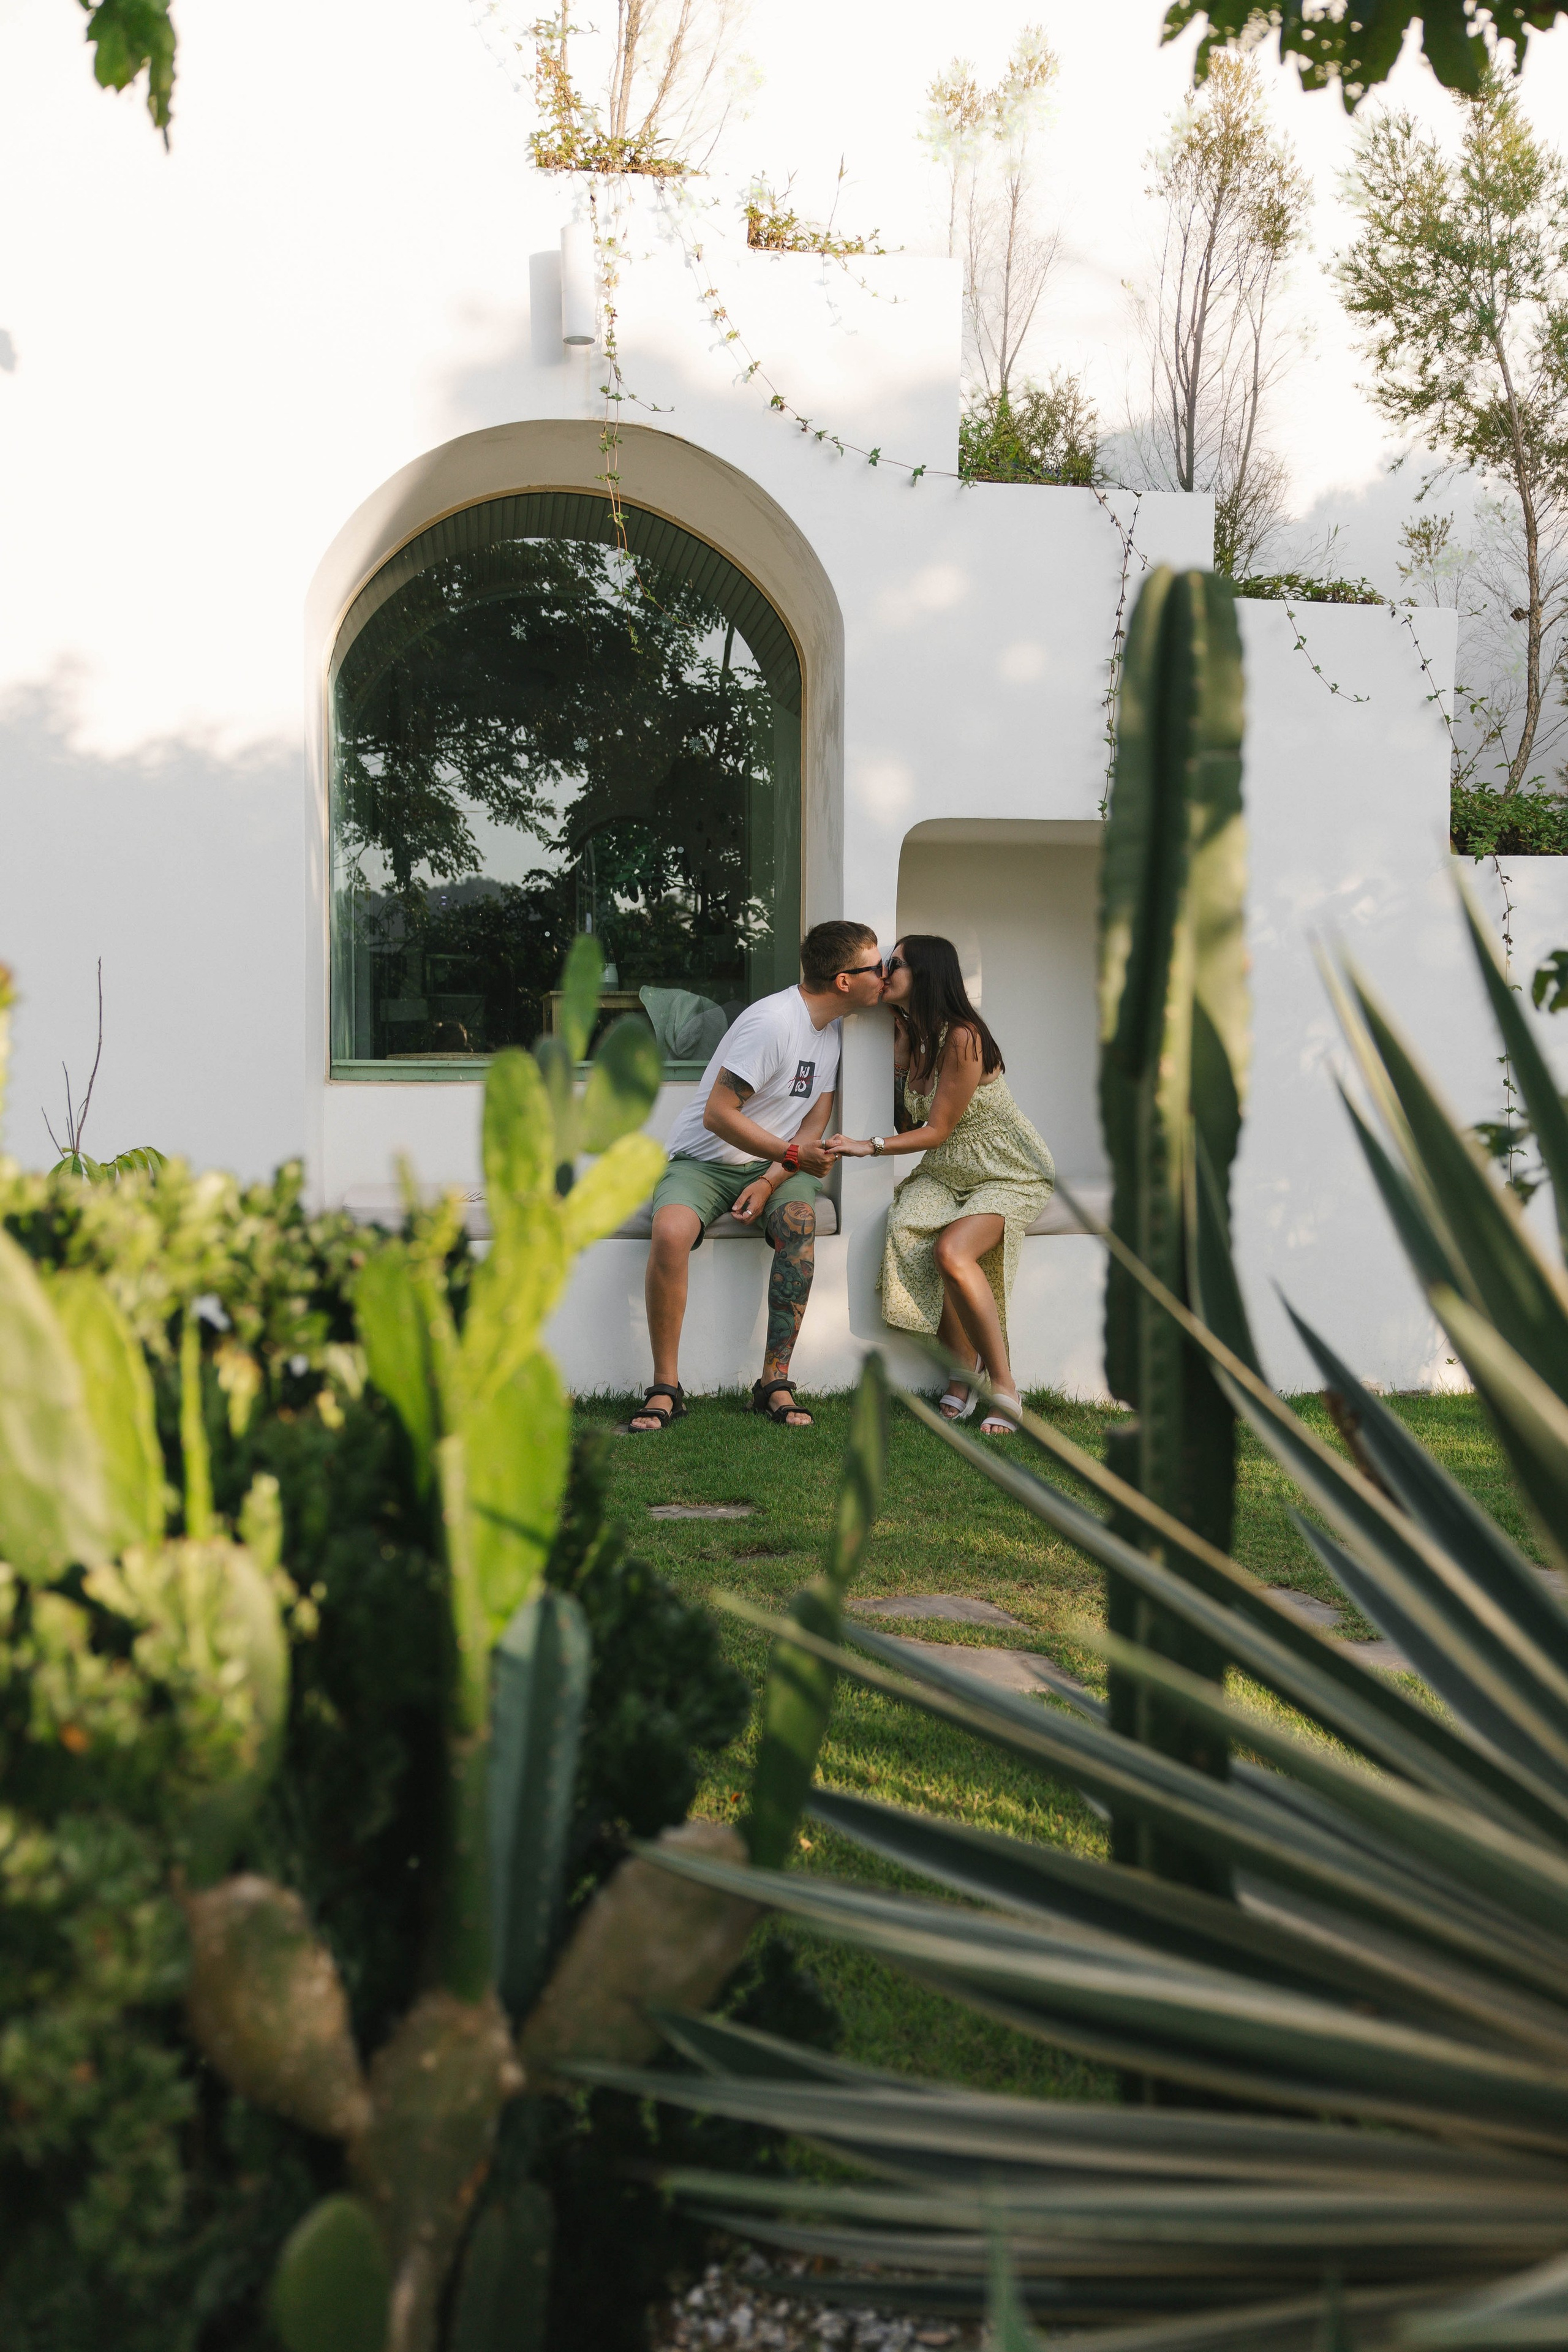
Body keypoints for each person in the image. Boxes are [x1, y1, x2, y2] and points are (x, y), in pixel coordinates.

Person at [628, 921, 886, 1432]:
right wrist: (793, 1153)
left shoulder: (832, 1031)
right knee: (671, 1231)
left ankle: (774, 1382)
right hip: (702, 1161)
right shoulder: (772, 1022)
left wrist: (773, 1176)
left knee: (798, 1220)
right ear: (843, 981)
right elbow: (719, 1115)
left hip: (775, 1166)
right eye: (876, 967)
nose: (884, 974)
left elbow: (817, 1112)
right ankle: (665, 1388)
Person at [828, 933, 1054, 1435]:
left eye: (895, 963)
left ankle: (1003, 1386)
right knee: (908, 1226)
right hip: (947, 1172)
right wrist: (904, 1059)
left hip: (1006, 1171)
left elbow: (938, 1129)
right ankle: (961, 1368)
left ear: (926, 975)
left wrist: (868, 1146)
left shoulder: (964, 1037)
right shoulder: (919, 1034)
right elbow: (918, 1128)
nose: (885, 971)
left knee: (952, 1252)